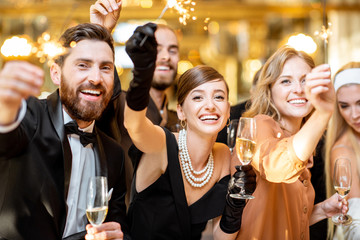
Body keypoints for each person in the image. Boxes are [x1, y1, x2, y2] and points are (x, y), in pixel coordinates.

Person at [123, 23, 256, 239]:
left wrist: (234, 208)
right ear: (181, 112)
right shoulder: (162, 144)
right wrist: (141, 75)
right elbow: (134, 125)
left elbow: (220, 237)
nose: (210, 105)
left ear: (228, 110)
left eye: (219, 97)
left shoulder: (223, 155)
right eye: (198, 97)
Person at [0, 23, 128, 240]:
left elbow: (117, 226)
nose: (96, 78)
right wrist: (5, 107)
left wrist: (116, 236)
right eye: (83, 65)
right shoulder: (29, 116)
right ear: (56, 74)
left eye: (105, 68)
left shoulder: (114, 153)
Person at [236, 45, 347, 240]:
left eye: (305, 81)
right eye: (286, 81)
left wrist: (321, 210)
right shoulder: (259, 125)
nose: (298, 89)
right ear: (269, 90)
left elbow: (284, 218)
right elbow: (276, 167)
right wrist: (323, 112)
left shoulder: (301, 140)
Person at [90, 0, 180, 204]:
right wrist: (101, 31)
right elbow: (98, 83)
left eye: (172, 50)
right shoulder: (119, 104)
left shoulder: (179, 118)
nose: (165, 56)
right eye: (156, 48)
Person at [325, 62, 360, 239]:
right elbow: (355, 223)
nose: (354, 114)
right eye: (344, 106)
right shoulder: (343, 150)